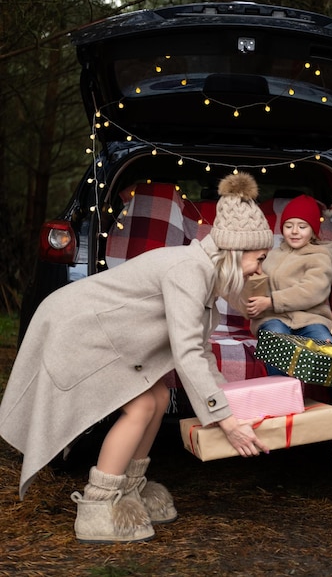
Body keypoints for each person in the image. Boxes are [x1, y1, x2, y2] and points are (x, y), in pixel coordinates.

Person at [0, 171, 274, 544]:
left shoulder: (205, 274)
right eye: (258, 259)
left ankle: (128, 490)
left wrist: (229, 406)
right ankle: (99, 505)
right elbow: (187, 352)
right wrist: (226, 421)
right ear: (237, 251)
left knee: (159, 397)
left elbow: (202, 351)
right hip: (78, 328)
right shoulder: (189, 270)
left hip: (104, 332)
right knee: (143, 404)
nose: (259, 269)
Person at [244, 194, 332, 375]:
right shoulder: (272, 254)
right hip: (273, 318)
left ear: (313, 230)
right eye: (288, 226)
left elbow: (311, 290)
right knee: (276, 340)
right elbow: (256, 282)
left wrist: (271, 301)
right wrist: (252, 301)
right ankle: (282, 392)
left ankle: (330, 398)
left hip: (310, 319)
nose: (294, 231)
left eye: (302, 226)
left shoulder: (321, 256)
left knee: (328, 349)